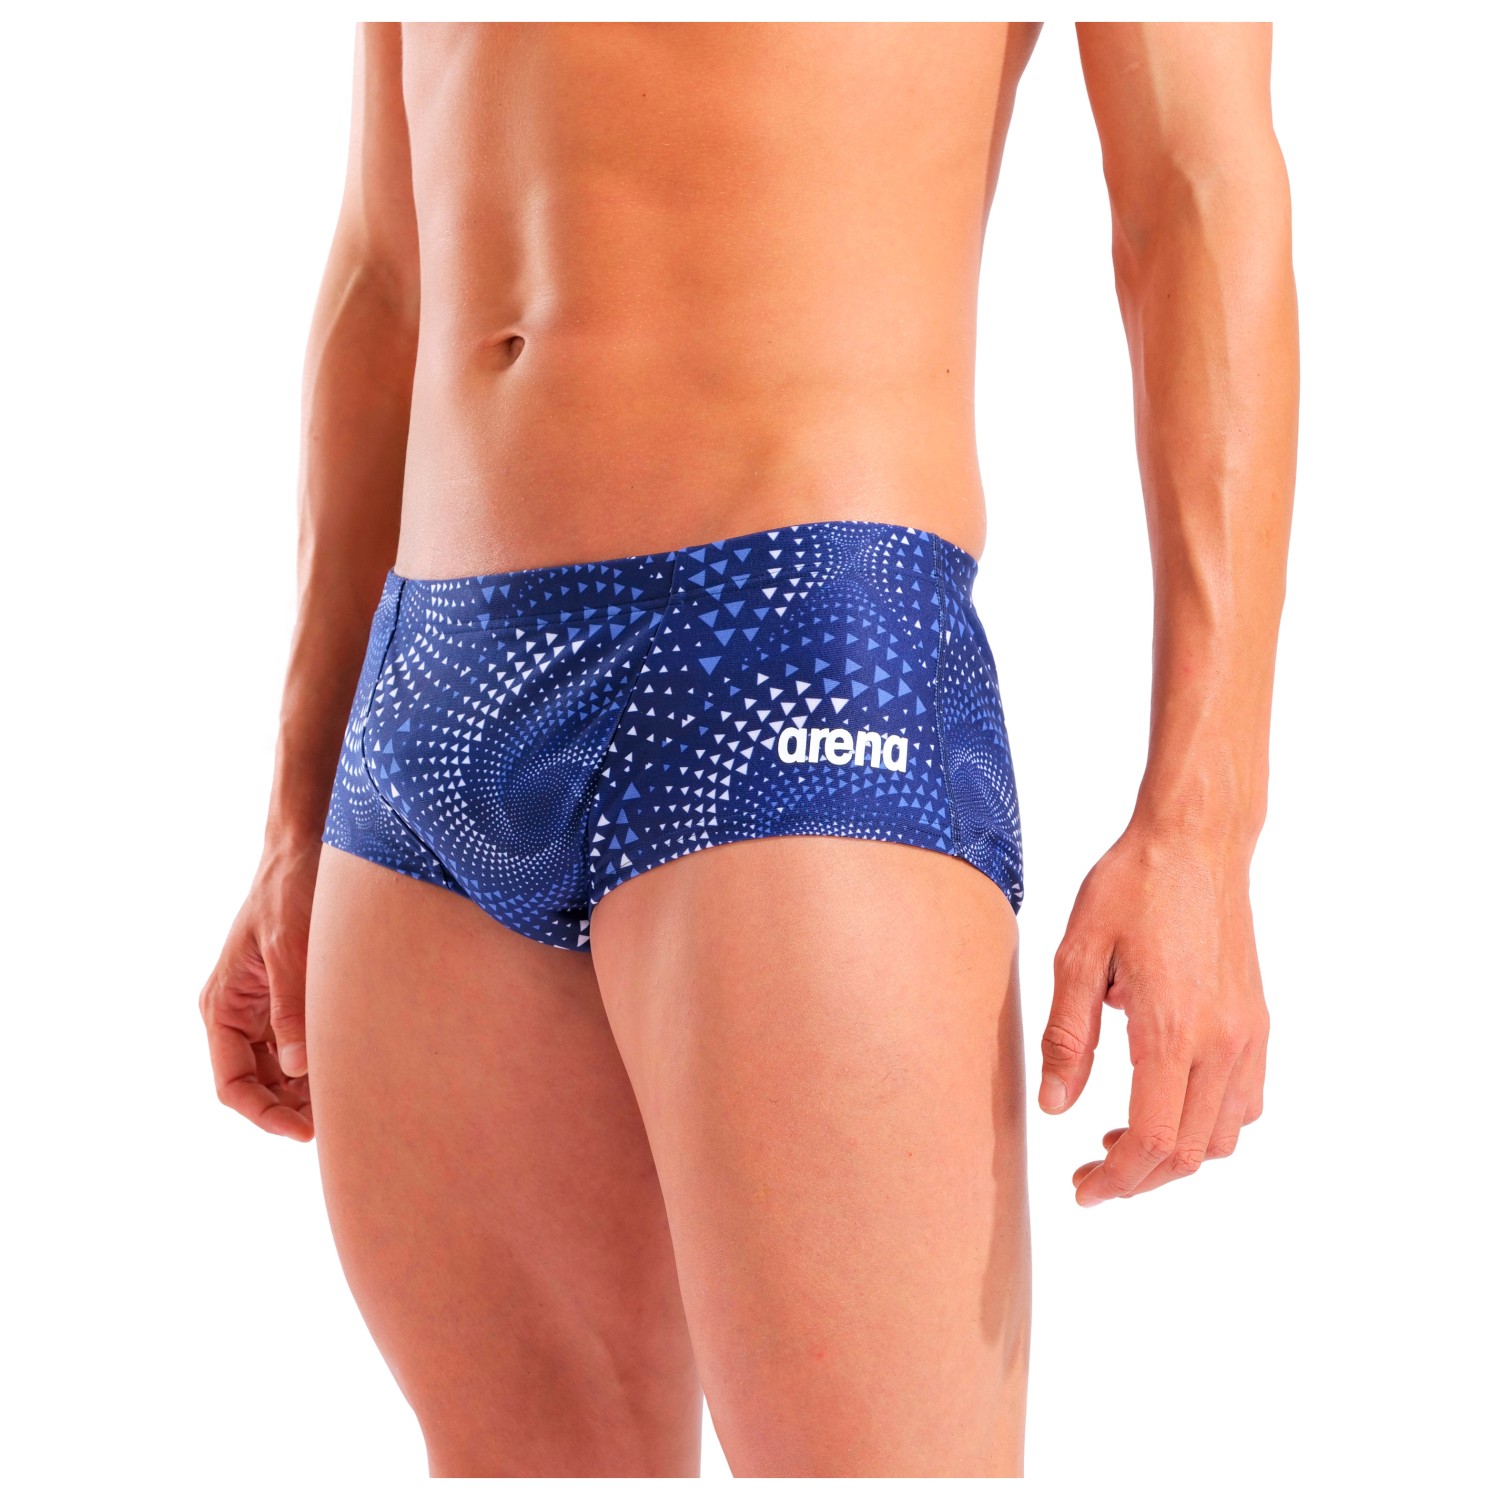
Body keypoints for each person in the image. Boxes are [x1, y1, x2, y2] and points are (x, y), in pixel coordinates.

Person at [198, 21, 1296, 1478]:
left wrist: (1205, 827)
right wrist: (294, 810)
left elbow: (1195, 192)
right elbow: (384, 266)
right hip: (435, 688)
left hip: (785, 639)